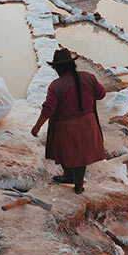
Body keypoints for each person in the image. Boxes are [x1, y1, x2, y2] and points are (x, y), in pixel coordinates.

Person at [31, 48, 106, 194]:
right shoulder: (89, 77)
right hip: (88, 124)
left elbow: (48, 109)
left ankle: (68, 176)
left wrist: (37, 127)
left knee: (64, 153)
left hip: (66, 127)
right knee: (81, 157)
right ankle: (78, 185)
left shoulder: (56, 86)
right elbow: (101, 94)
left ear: (57, 68)